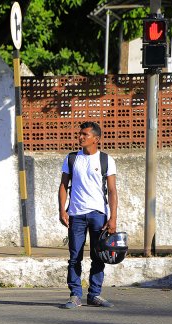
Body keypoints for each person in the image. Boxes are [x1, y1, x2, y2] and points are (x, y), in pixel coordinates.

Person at [58, 121, 118, 309]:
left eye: (85, 134)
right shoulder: (71, 158)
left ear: (96, 139)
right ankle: (75, 295)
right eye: (80, 133)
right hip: (76, 214)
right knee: (75, 256)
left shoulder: (106, 160)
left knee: (98, 255)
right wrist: (62, 209)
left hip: (98, 215)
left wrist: (113, 218)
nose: (81, 137)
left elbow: (112, 191)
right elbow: (63, 186)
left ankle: (95, 294)